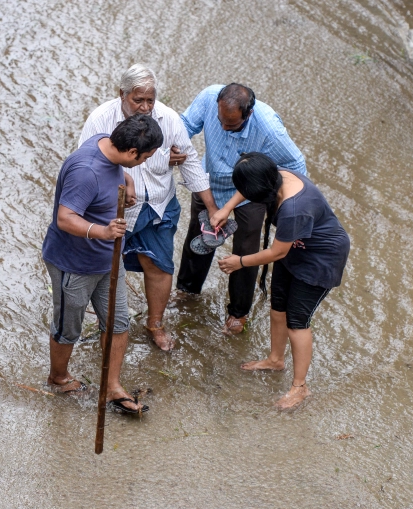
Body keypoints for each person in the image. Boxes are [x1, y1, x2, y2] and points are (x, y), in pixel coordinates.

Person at [79, 64, 219, 351]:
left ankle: (155, 323)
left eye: (150, 100)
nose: (145, 107)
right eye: (137, 100)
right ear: (122, 94)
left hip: (158, 204)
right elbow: (87, 163)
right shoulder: (101, 119)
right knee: (103, 268)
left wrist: (212, 207)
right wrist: (124, 178)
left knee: (159, 265)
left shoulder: (168, 119)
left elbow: (190, 160)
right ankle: (105, 323)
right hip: (114, 211)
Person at [42, 114, 163, 414]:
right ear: (132, 152)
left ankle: (112, 386)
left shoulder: (104, 144)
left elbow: (116, 171)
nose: (145, 162)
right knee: (69, 328)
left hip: (108, 259)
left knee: (119, 323)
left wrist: (129, 182)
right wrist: (104, 231)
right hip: (74, 263)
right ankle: (58, 378)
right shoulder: (86, 170)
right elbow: (65, 217)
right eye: (145, 157)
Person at [218, 153, 349, 410]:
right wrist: (226, 208)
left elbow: (277, 252)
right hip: (295, 247)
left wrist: (239, 262)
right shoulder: (273, 174)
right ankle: (276, 359)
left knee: (297, 322)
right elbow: (248, 186)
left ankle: (300, 387)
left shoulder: (292, 208)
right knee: (278, 307)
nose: (245, 193)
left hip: (320, 258)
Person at [176, 83, 308, 335]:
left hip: (250, 193)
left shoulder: (269, 130)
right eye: (220, 122)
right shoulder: (207, 97)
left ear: (248, 114)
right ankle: (187, 290)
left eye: (232, 125)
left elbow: (295, 163)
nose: (224, 128)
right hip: (210, 181)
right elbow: (184, 125)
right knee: (199, 235)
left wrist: (288, 209)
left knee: (246, 251)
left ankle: (238, 313)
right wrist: (174, 147)